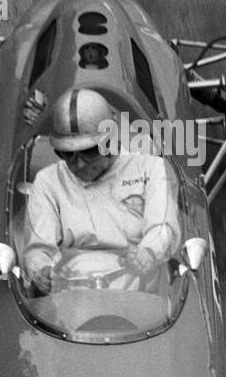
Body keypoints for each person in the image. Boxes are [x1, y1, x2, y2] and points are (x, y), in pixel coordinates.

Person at [23, 89, 180, 294]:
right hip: (69, 295)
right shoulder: (47, 181)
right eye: (68, 154)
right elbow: (39, 249)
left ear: (111, 140)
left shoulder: (151, 169)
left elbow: (163, 227)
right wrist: (42, 271)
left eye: (90, 151)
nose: (79, 164)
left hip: (139, 293)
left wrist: (149, 253)